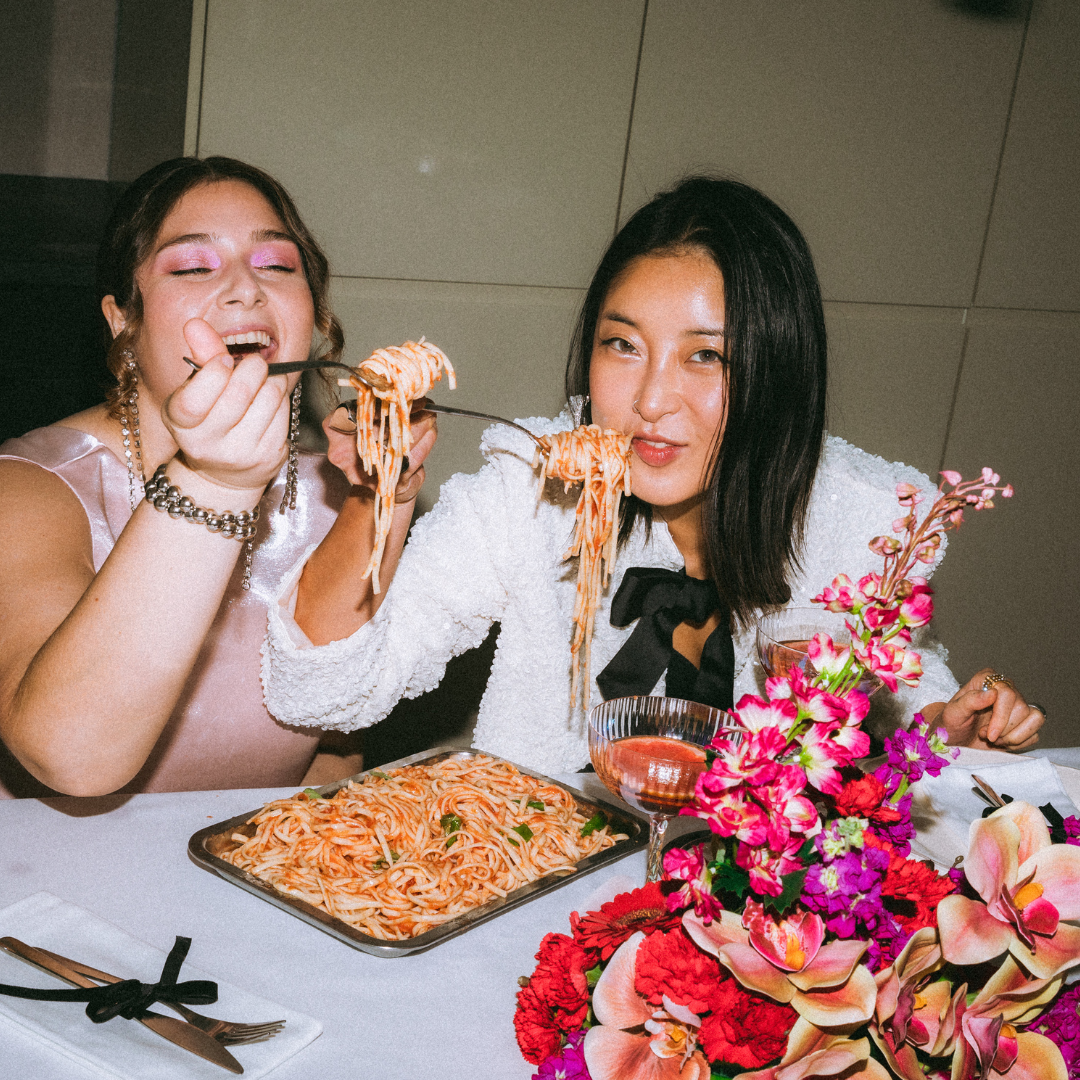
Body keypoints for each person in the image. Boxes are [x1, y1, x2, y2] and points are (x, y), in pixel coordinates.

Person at [262, 177, 1044, 775]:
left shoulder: (861, 519)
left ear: (776, 370)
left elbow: (908, 698)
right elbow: (320, 693)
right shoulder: (532, 485)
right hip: (540, 896)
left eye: (706, 356)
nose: (648, 402)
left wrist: (952, 731)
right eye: (622, 345)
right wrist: (376, 495)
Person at [0, 156, 357, 799]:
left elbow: (337, 746)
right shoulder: (28, 488)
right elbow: (71, 756)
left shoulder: (333, 490)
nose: (247, 289)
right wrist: (214, 483)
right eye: (193, 267)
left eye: (278, 265)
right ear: (123, 321)